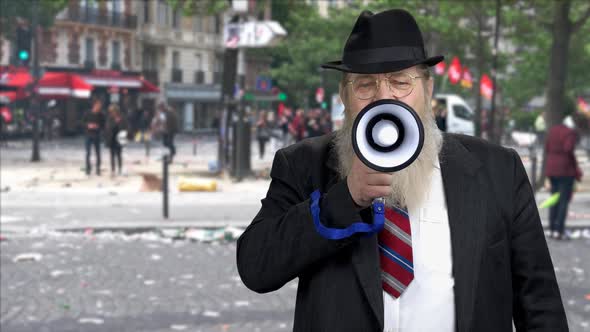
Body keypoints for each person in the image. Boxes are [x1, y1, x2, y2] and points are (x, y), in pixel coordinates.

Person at [236, 9, 567, 332]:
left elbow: (538, 303)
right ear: (344, 96)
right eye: (365, 85)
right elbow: (257, 268)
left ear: (428, 90)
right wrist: (344, 199)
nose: (385, 97)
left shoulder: (498, 169)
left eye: (400, 82)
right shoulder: (303, 165)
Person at [544, 115, 583, 240]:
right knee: (563, 201)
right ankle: (559, 230)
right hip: (565, 170)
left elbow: (547, 147)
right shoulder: (570, 133)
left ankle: (550, 228)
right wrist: (576, 169)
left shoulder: (553, 130)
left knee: (554, 198)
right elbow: (568, 149)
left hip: (551, 168)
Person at [82, 99, 105, 176]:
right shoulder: (87, 113)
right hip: (88, 135)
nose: (99, 107)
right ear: (94, 105)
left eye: (100, 106)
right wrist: (88, 125)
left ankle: (98, 169)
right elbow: (82, 122)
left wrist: (97, 126)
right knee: (88, 152)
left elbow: (103, 125)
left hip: (97, 135)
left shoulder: (101, 115)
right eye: (98, 105)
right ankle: (88, 168)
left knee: (98, 153)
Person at [105, 104, 127, 176]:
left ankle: (120, 169)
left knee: (119, 155)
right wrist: (115, 123)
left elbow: (124, 127)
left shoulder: (122, 118)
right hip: (112, 138)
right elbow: (109, 128)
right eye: (111, 111)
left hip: (120, 138)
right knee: (112, 155)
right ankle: (113, 170)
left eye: (114, 111)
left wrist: (119, 123)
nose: (112, 113)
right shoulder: (109, 118)